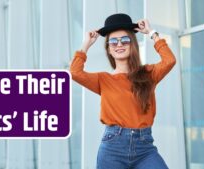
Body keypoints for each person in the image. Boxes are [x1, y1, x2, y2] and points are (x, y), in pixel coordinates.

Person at [69, 13, 176, 169]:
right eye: (113, 42)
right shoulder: (103, 80)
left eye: (125, 40)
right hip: (113, 148)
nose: (119, 44)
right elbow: (75, 72)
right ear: (109, 50)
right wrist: (86, 44)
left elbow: (169, 60)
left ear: (132, 44)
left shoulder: (149, 74)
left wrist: (152, 33)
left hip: (145, 148)